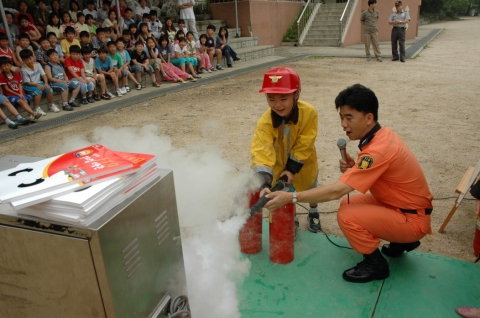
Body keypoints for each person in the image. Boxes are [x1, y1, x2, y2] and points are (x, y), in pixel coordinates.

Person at [265, 83, 433, 283]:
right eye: (341, 117)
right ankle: (400, 242)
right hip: (404, 207)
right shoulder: (382, 135)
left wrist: (291, 197)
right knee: (349, 204)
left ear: (369, 118)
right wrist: (356, 166)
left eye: (349, 117)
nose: (343, 124)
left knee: (347, 216)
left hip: (412, 219)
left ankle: (376, 264)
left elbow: (337, 191)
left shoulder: (377, 150)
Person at [249, 67, 320, 235]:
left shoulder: (309, 112)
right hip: (280, 165)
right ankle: (292, 216)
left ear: (296, 95)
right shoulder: (265, 123)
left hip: (303, 163)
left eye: (283, 98)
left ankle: (314, 211)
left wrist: (293, 168)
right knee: (285, 193)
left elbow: (305, 142)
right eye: (271, 99)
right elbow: (261, 151)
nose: (278, 104)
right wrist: (264, 182)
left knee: (311, 188)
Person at [20, 49, 59, 115]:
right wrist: (37, 85)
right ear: (23, 60)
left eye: (30, 58)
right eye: (26, 60)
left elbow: (44, 75)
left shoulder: (37, 64)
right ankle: (37, 108)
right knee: (38, 90)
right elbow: (28, 82)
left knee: (49, 89)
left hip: (39, 82)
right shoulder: (23, 70)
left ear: (33, 57)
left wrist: (46, 83)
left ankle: (52, 105)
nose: (29, 61)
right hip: (29, 85)